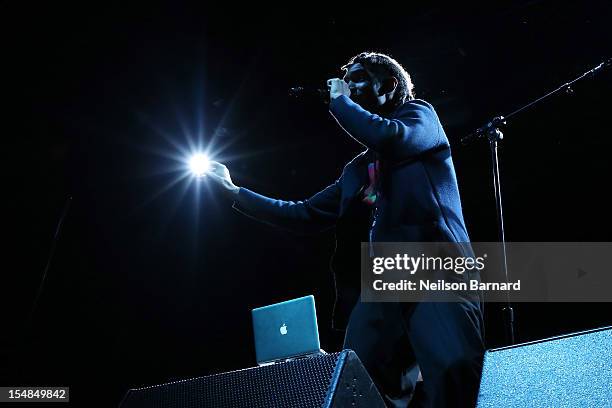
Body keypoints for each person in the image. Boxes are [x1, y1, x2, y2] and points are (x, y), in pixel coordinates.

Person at [207, 52, 485, 407]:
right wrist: (235, 192)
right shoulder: (358, 169)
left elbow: (390, 137)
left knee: (452, 381)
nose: (349, 86)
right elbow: (305, 213)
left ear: (387, 85)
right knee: (356, 382)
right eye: (347, 81)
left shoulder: (419, 117)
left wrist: (339, 100)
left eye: (358, 78)